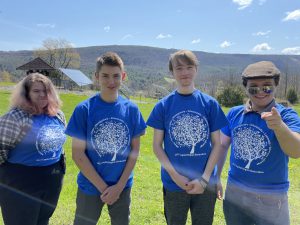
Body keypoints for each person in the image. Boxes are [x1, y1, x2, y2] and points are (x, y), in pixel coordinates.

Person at [146, 49, 228, 225]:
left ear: (196, 69)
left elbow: (217, 145)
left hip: (205, 183)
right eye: (179, 68)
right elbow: (157, 147)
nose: (184, 72)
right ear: (172, 72)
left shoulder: (210, 104)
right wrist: (175, 176)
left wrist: (205, 179)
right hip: (174, 184)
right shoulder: (163, 106)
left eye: (189, 67)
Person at [65, 51, 146, 225]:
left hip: (122, 186)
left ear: (123, 76)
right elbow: (78, 154)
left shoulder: (131, 110)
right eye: (105, 76)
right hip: (90, 186)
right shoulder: (84, 110)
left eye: (116, 76)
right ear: (96, 76)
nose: (111, 81)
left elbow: (135, 150)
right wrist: (104, 188)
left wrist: (118, 187)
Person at [218, 61, 300, 225]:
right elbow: (221, 146)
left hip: (271, 198)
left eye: (267, 87)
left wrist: (279, 127)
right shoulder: (234, 113)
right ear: (246, 88)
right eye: (253, 88)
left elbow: (296, 151)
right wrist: (215, 177)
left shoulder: (287, 116)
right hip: (236, 193)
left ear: (276, 86)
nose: (260, 92)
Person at [0, 73, 66, 225]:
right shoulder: (14, 118)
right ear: (26, 94)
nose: (42, 95)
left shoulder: (58, 115)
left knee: (43, 221)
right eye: (36, 91)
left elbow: (59, 145)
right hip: (21, 183)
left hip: (52, 180)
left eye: (46, 91)